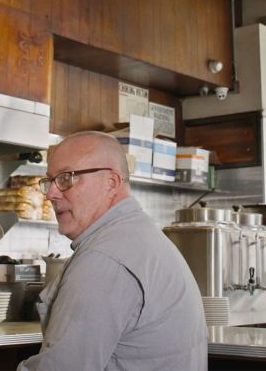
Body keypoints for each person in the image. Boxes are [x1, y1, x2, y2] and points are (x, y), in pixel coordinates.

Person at [18, 132, 207, 371]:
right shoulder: (138, 237)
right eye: (50, 181)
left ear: (111, 183)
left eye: (66, 178)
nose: (51, 194)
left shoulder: (105, 258)